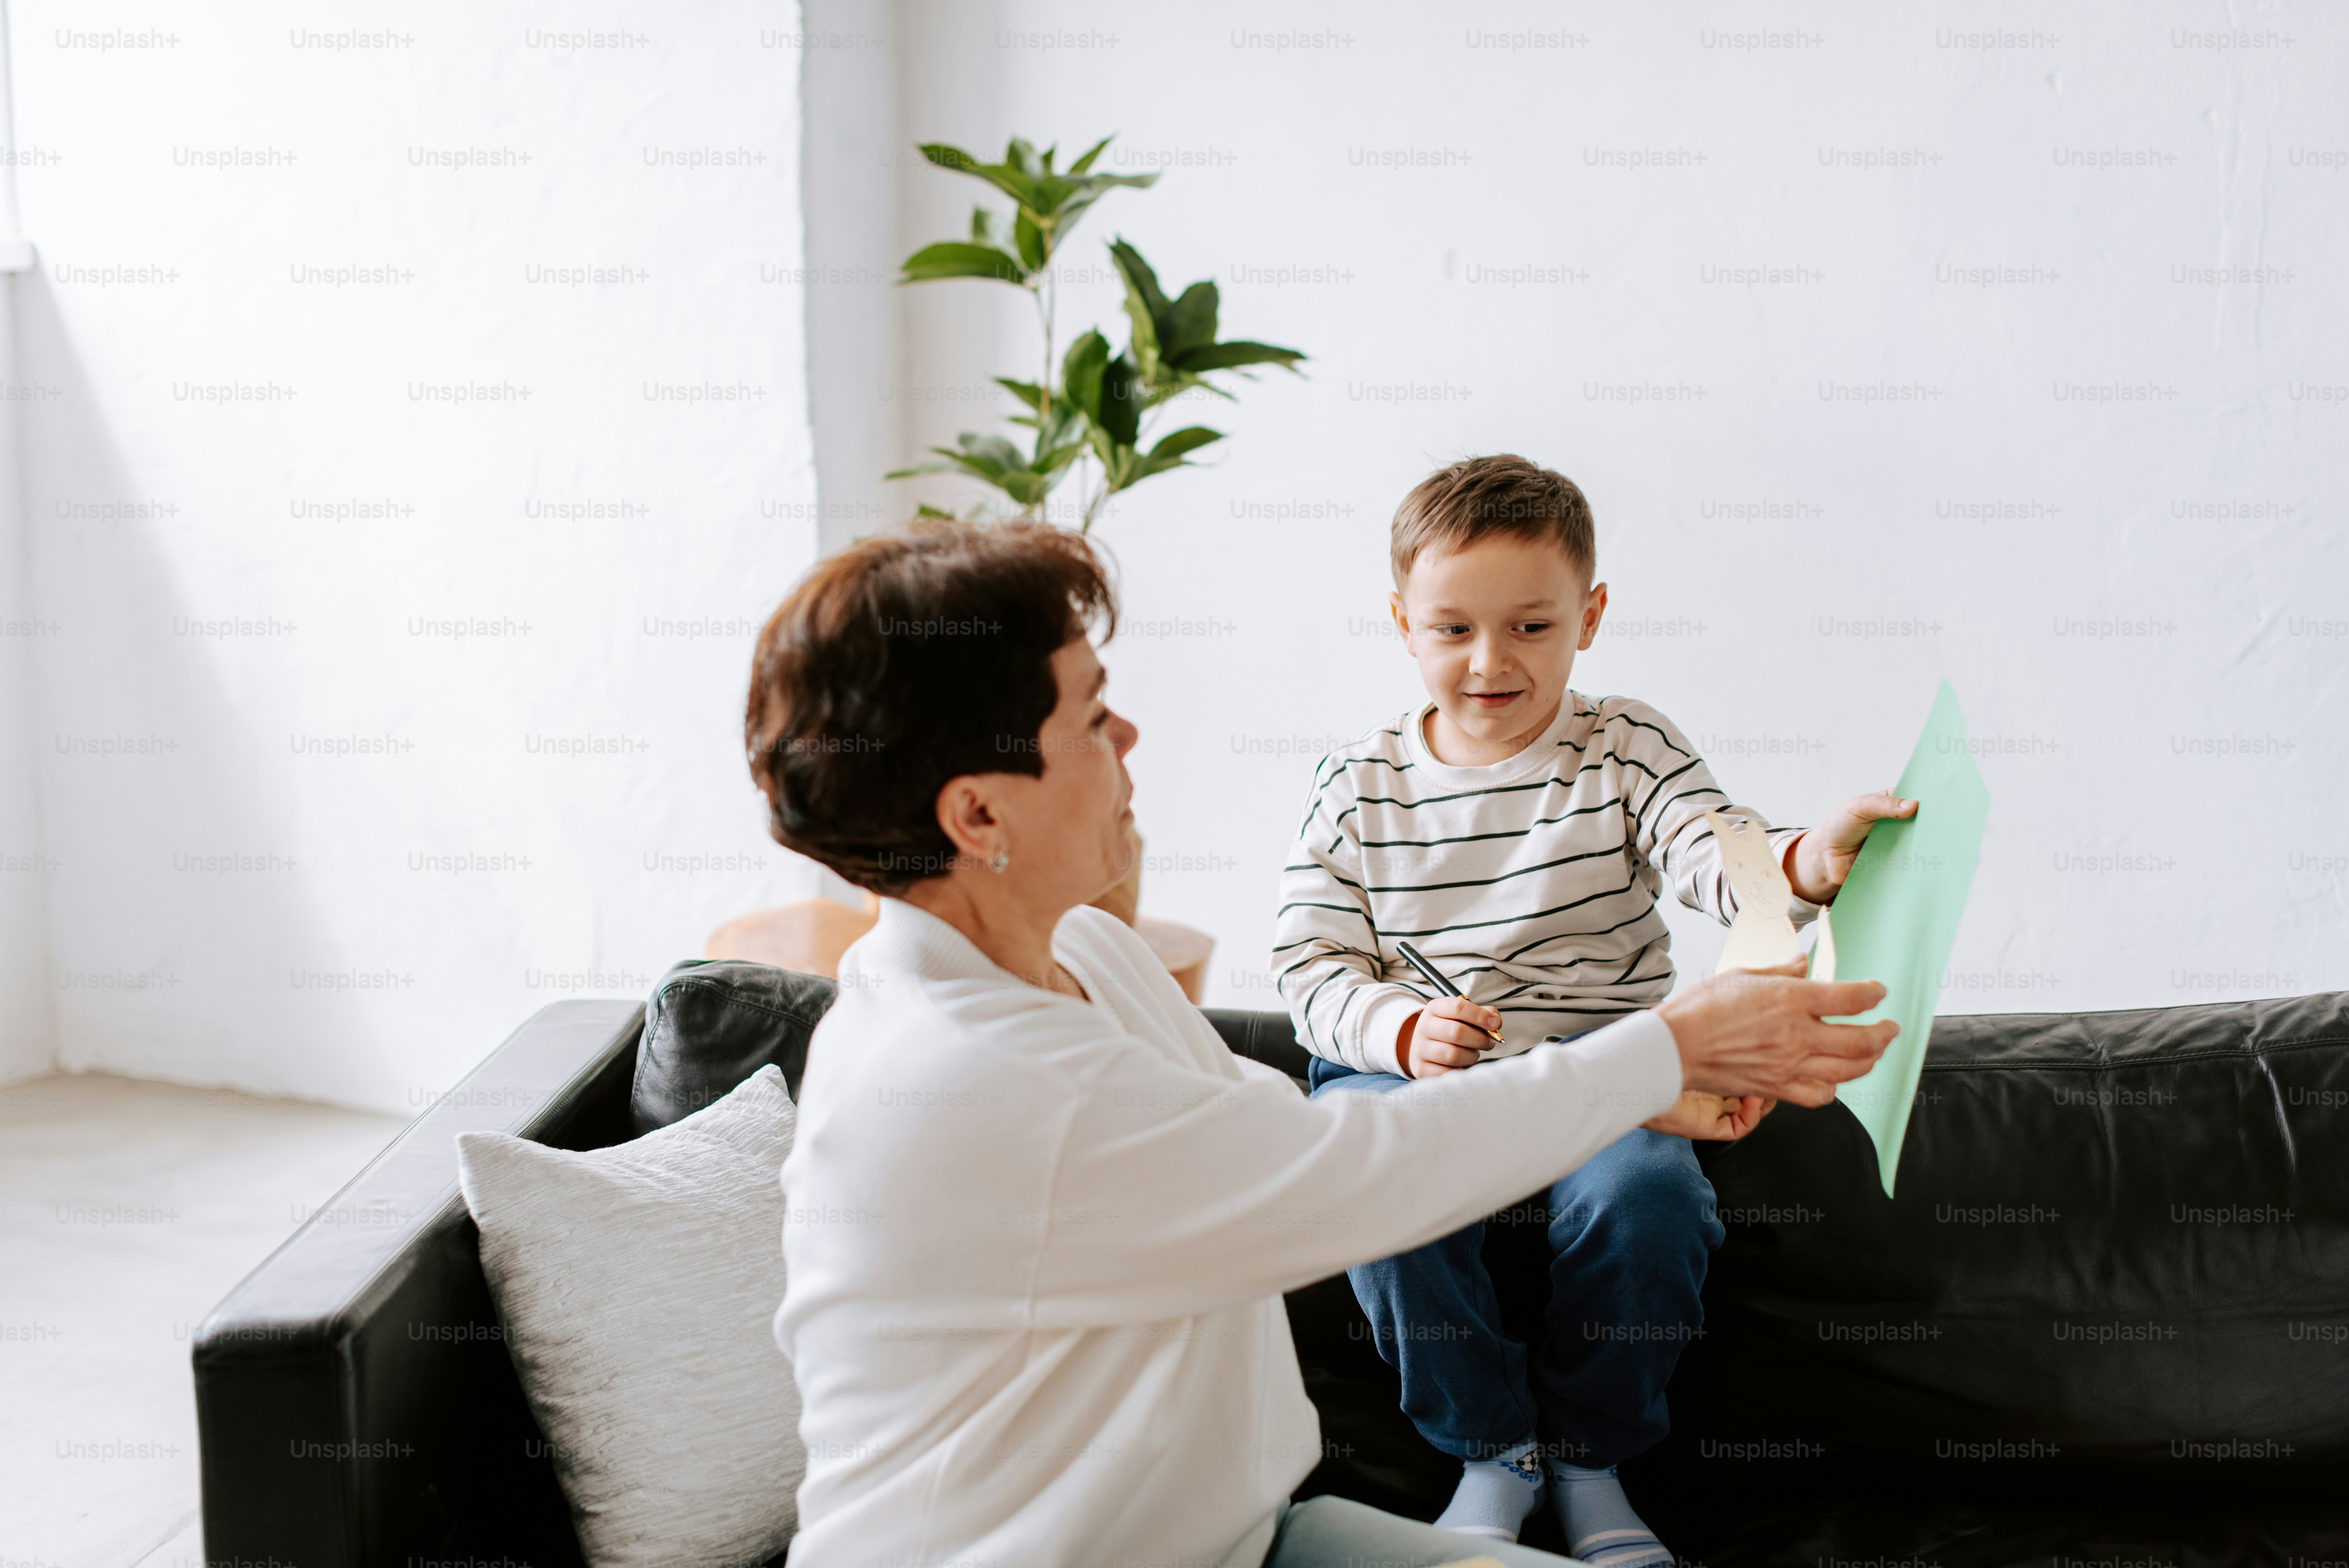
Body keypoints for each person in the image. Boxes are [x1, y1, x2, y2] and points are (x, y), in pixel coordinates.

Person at [751, 519, 1895, 1568]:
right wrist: (1667, 1052)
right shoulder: (978, 1075)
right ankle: (1501, 1455)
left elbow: (1275, 1132)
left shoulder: (1083, 962)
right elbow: (1352, 1173)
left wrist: (1646, 1082)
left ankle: (1581, 1462)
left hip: (1242, 1542)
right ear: (979, 817)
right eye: (1094, 714)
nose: (1134, 733)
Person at [1273, 454, 1914, 1560]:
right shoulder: (1358, 784)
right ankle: (1490, 1453)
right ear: (1402, 623)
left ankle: (1590, 1460)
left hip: (1611, 1084)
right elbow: (1309, 968)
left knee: (1652, 1203)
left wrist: (1805, 864)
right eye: (1453, 630)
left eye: (1531, 627)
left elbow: (1714, 849)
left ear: (1591, 616)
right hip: (1417, 1081)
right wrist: (1400, 1031)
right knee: (1379, 1193)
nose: (1490, 662)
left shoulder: (1623, 746)